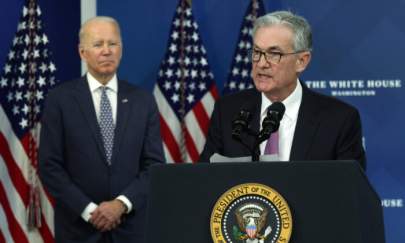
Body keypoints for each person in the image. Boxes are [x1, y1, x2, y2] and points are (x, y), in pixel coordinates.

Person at [39, 16, 164, 243]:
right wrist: (90, 211)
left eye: (112, 44)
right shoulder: (59, 100)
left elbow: (154, 165)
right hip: (78, 230)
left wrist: (121, 205)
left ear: (121, 49)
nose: (106, 51)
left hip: (131, 229)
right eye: (98, 45)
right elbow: (49, 166)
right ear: (82, 52)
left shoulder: (143, 101)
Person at [199, 11, 366, 170]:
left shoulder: (340, 120)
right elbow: (205, 179)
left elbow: (350, 192)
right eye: (257, 52)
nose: (261, 63)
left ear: (301, 61)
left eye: (274, 54)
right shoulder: (228, 111)